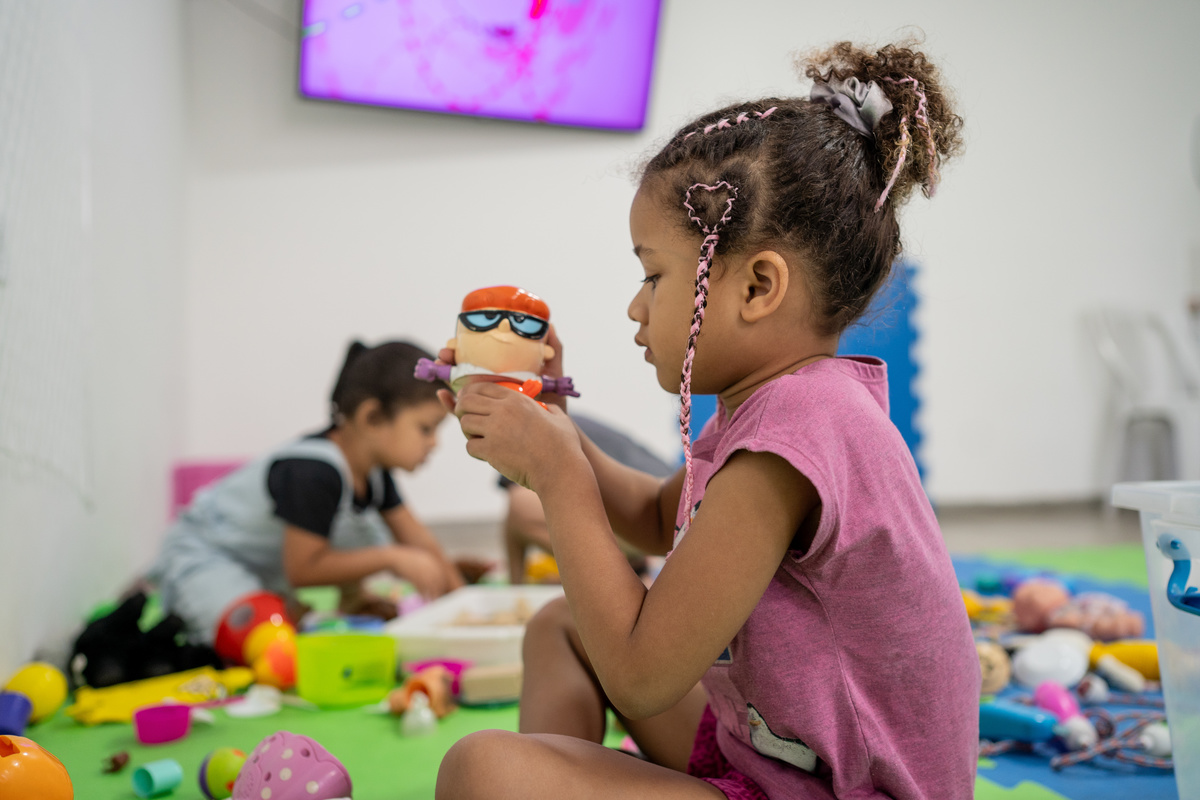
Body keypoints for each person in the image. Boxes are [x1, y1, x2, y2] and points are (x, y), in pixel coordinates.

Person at [436, 40, 979, 800]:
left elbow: (644, 674)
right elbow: (664, 518)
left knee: (479, 770)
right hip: (764, 753)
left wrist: (557, 474)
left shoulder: (797, 433)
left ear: (757, 286)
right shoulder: (779, 404)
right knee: (560, 628)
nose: (636, 305)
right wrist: (555, 424)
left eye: (653, 274)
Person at [151, 340, 463, 654]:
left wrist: (463, 605)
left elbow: (419, 540)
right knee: (271, 645)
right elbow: (304, 569)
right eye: (426, 429)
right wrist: (392, 557)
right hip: (204, 558)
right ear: (372, 417)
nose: (434, 444)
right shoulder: (313, 471)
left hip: (266, 575)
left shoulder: (377, 474)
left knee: (362, 550)